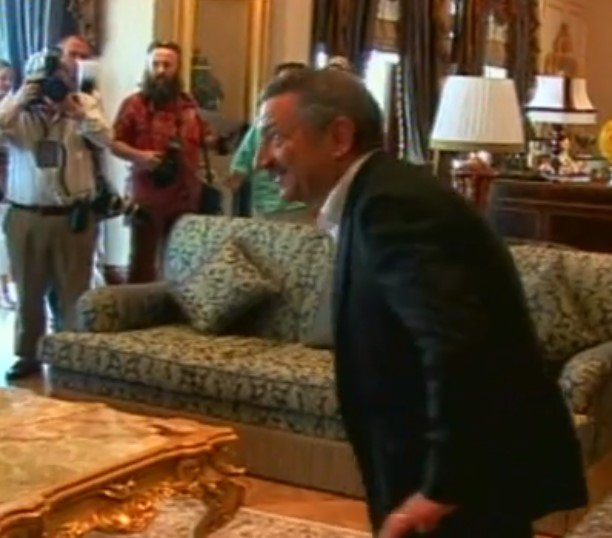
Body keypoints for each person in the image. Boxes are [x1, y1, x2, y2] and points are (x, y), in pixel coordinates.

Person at [256, 68, 587, 537]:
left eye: (276, 137)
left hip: (462, 481)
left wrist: (442, 487)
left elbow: (457, 344)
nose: (264, 159)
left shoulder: (392, 205)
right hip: (440, 468)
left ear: (339, 137)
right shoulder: (377, 195)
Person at [0, 49, 111, 380]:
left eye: (59, 78)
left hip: (72, 216)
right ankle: (28, 354)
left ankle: (71, 352)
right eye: (43, 80)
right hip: (26, 215)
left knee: (74, 290)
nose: (52, 86)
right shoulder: (16, 111)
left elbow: (106, 139)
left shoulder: (83, 105)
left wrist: (74, 112)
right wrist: (19, 100)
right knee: (28, 291)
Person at [112, 41, 213, 283]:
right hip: (147, 199)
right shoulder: (133, 104)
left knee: (181, 264)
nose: (160, 70)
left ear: (177, 69)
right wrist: (141, 157)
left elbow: (205, 138)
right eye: (155, 64)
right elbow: (114, 143)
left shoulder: (189, 106)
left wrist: (222, 140)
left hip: (185, 198)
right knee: (141, 266)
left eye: (167, 65)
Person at [225, 62, 309, 220]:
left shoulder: (311, 126)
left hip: (299, 206)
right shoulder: (260, 124)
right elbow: (245, 159)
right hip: (264, 204)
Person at [0, 60, 15, 309]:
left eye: (8, 78)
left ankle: (5, 288)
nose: (5, 83)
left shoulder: (16, 106)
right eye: (1, 78)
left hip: (11, 180)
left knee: (5, 238)